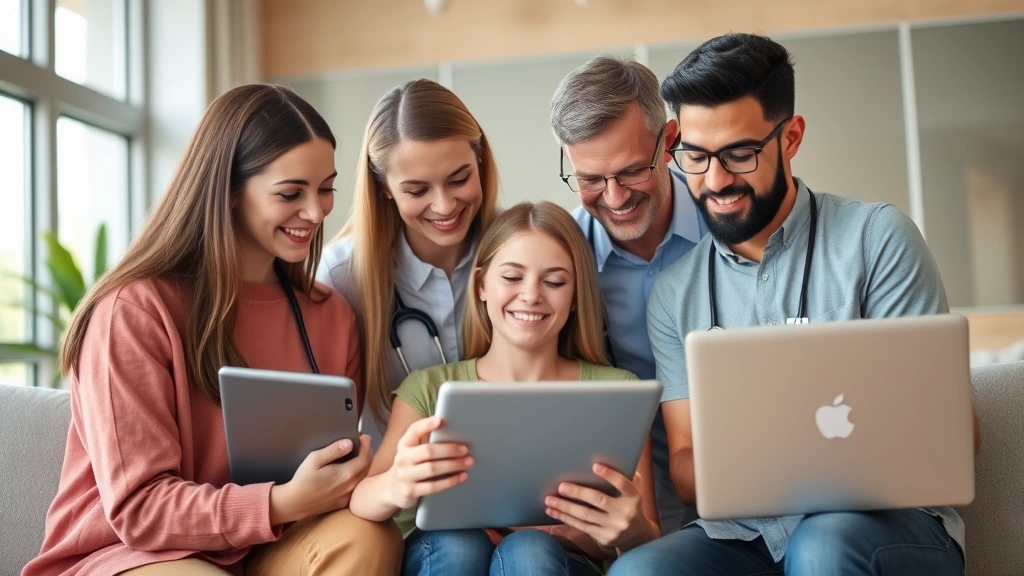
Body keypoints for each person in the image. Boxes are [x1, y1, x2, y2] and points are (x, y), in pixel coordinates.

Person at [608, 33, 975, 576]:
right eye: (694, 155)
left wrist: (764, 456)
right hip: (744, 536)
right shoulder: (674, 291)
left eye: (739, 153)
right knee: (638, 573)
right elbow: (685, 470)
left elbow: (955, 433)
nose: (714, 180)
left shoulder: (876, 238)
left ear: (791, 137)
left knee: (821, 546)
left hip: (886, 525)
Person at [23, 84, 402, 576]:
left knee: (367, 537)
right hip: (133, 554)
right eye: (291, 193)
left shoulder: (331, 316)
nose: (316, 212)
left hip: (264, 548)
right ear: (227, 190)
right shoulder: (133, 312)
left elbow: (329, 482)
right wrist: (279, 502)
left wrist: (352, 478)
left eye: (325, 188)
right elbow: (140, 509)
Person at [349, 201, 661, 576]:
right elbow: (361, 500)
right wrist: (396, 484)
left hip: (561, 561)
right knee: (459, 542)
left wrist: (625, 532)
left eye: (555, 281)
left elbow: (646, 540)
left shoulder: (619, 393)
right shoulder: (429, 389)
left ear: (577, 295)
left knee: (529, 548)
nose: (531, 295)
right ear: (481, 285)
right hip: (445, 555)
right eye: (512, 277)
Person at [549, 55, 707, 533]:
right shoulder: (562, 263)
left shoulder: (729, 229)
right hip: (627, 509)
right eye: (592, 180)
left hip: (746, 482)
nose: (615, 199)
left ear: (671, 142)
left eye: (633, 171)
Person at [317, 79, 499, 446]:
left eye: (459, 179)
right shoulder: (341, 277)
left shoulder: (520, 251)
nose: (445, 205)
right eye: (417, 190)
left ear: (479, 158)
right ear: (384, 187)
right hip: (394, 492)